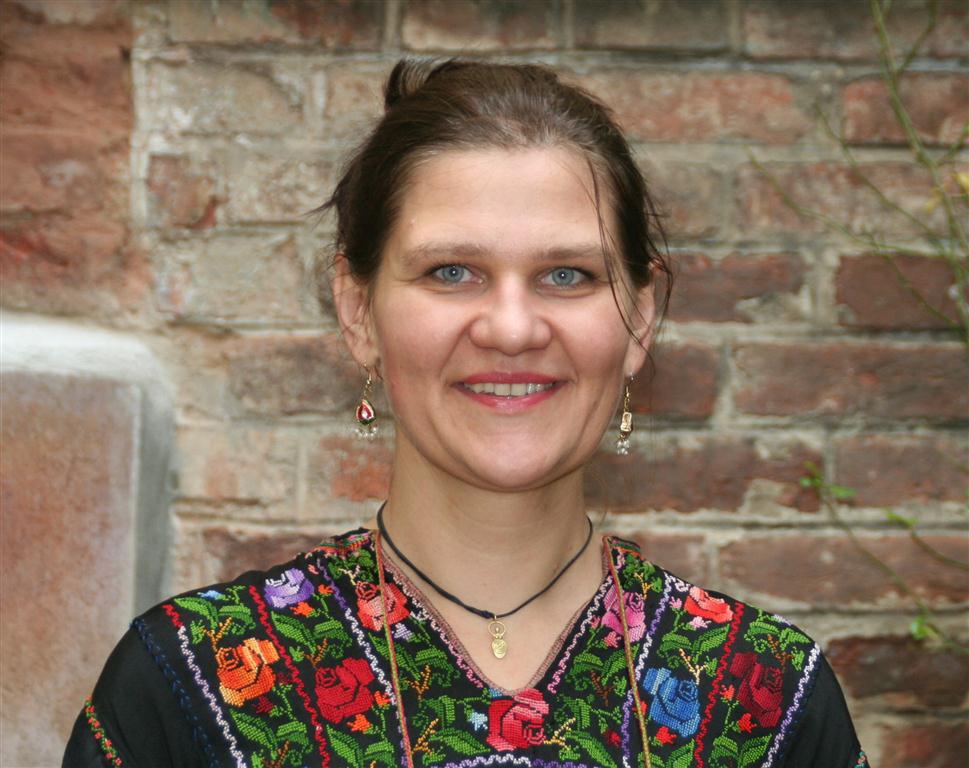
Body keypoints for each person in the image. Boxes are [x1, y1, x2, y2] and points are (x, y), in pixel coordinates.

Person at [64, 59, 867, 768]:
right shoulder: (194, 687)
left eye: (567, 275)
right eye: (451, 271)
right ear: (358, 311)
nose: (512, 329)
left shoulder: (759, 696)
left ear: (639, 319)